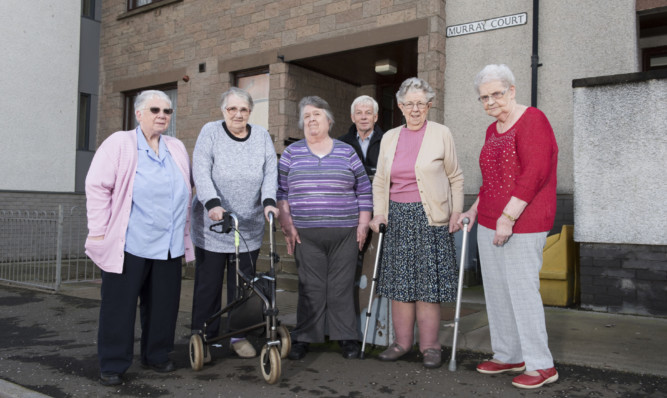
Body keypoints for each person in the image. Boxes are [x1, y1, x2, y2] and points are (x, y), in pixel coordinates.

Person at [456, 64, 559, 389]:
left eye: (496, 94)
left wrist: (508, 218)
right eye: (483, 98)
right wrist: (473, 210)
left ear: (512, 91)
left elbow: (535, 174)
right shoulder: (491, 130)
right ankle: (508, 354)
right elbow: (491, 181)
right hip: (488, 221)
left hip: (523, 222)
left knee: (522, 292)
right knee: (498, 292)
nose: (490, 102)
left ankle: (541, 365)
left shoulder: (533, 120)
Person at [85, 90, 194, 386]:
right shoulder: (120, 143)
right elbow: (97, 187)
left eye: (168, 111)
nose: (162, 115)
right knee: (118, 306)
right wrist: (98, 231)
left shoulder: (176, 147)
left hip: (168, 244)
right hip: (130, 243)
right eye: (155, 109)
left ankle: (156, 355)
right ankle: (113, 363)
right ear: (139, 113)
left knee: (164, 304)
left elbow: (190, 185)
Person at [369, 77, 464, 369]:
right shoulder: (389, 137)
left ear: (429, 105)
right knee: (400, 286)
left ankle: (431, 346)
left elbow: (455, 177)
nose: (415, 108)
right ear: (399, 106)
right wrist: (379, 213)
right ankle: (401, 343)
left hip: (430, 218)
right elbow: (381, 180)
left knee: (427, 286)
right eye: (409, 103)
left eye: (421, 103)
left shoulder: (441, 133)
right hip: (397, 218)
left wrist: (456, 213)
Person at [277, 96, 373, 360]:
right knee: (310, 287)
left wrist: (363, 224)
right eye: (306, 116)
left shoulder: (346, 151)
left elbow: (364, 188)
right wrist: (287, 226)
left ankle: (346, 338)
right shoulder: (291, 153)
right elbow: (281, 191)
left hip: (345, 232)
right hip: (305, 234)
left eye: (316, 114)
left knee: (342, 287)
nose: (311, 120)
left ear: (329, 120)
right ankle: (305, 337)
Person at [190, 87, 279, 360]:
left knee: (243, 286)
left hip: (248, 226)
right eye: (232, 109)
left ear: (250, 112)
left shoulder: (262, 136)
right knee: (209, 285)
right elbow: (201, 169)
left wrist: (268, 202)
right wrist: (212, 203)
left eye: (243, 109)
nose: (238, 114)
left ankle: (237, 335)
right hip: (214, 225)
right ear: (223, 111)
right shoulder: (211, 131)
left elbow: (270, 172)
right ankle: (204, 336)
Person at [339, 95, 385, 178]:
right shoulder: (341, 143)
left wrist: (360, 170)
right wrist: (372, 170)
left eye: (368, 113)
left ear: (375, 117)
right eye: (359, 113)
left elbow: (389, 172)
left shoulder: (387, 141)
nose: (363, 117)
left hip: (378, 190)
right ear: (353, 118)